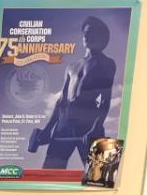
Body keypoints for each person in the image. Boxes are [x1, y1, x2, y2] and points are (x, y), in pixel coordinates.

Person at [31, 15, 116, 170]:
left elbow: (105, 99)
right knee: (49, 175)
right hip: (64, 124)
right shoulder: (72, 66)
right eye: (84, 32)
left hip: (90, 121)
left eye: (90, 32)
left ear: (102, 36)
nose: (85, 35)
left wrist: (96, 127)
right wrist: (47, 129)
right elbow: (61, 100)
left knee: (102, 177)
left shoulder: (107, 63)